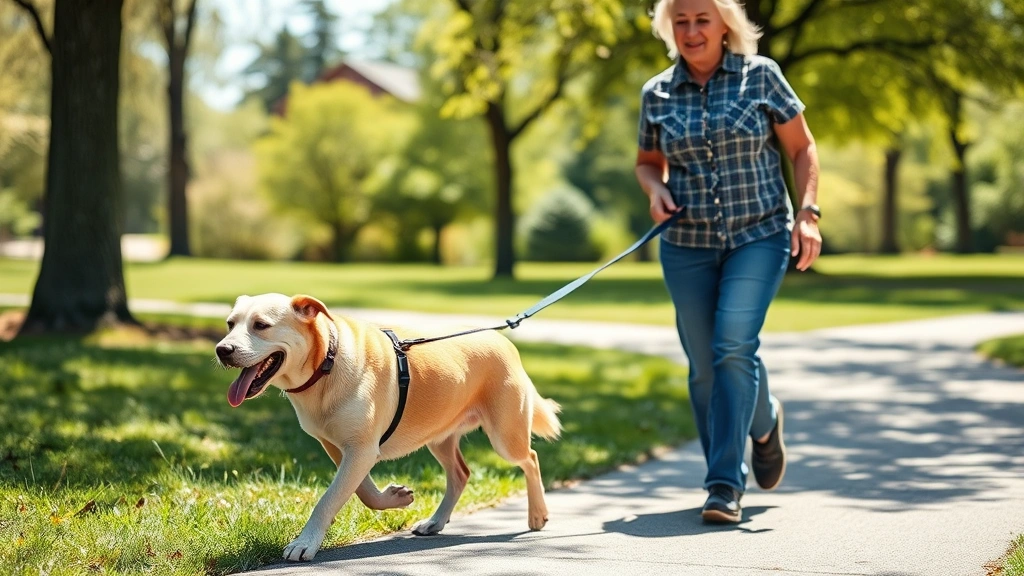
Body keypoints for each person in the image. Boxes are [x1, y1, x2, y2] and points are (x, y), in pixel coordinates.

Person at [635, 0, 821, 523]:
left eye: (702, 20)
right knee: (705, 367)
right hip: (686, 243)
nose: (692, 31)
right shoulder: (657, 92)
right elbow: (648, 164)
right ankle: (765, 422)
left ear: (725, 26)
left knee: (733, 344)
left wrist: (808, 213)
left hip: (758, 235)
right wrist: (655, 190)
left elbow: (802, 149)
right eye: (681, 21)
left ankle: (723, 486)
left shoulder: (762, 78)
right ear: (670, 29)